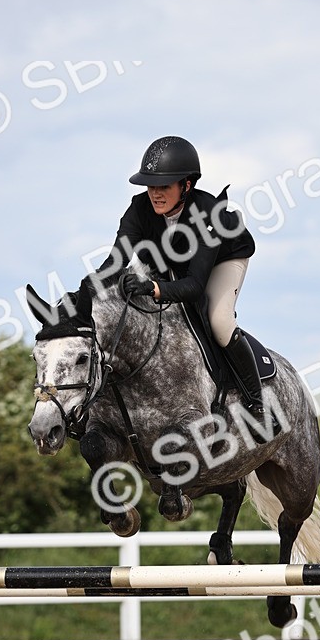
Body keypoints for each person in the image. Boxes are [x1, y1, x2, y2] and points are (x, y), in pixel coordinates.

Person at [98, 135, 278, 433]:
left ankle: (256, 404)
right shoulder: (139, 208)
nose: (155, 194)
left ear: (187, 185)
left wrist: (154, 289)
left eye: (164, 186)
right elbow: (115, 262)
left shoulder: (207, 214)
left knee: (217, 320)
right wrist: (84, 293)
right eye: (151, 186)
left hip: (224, 258)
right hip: (173, 259)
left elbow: (194, 285)